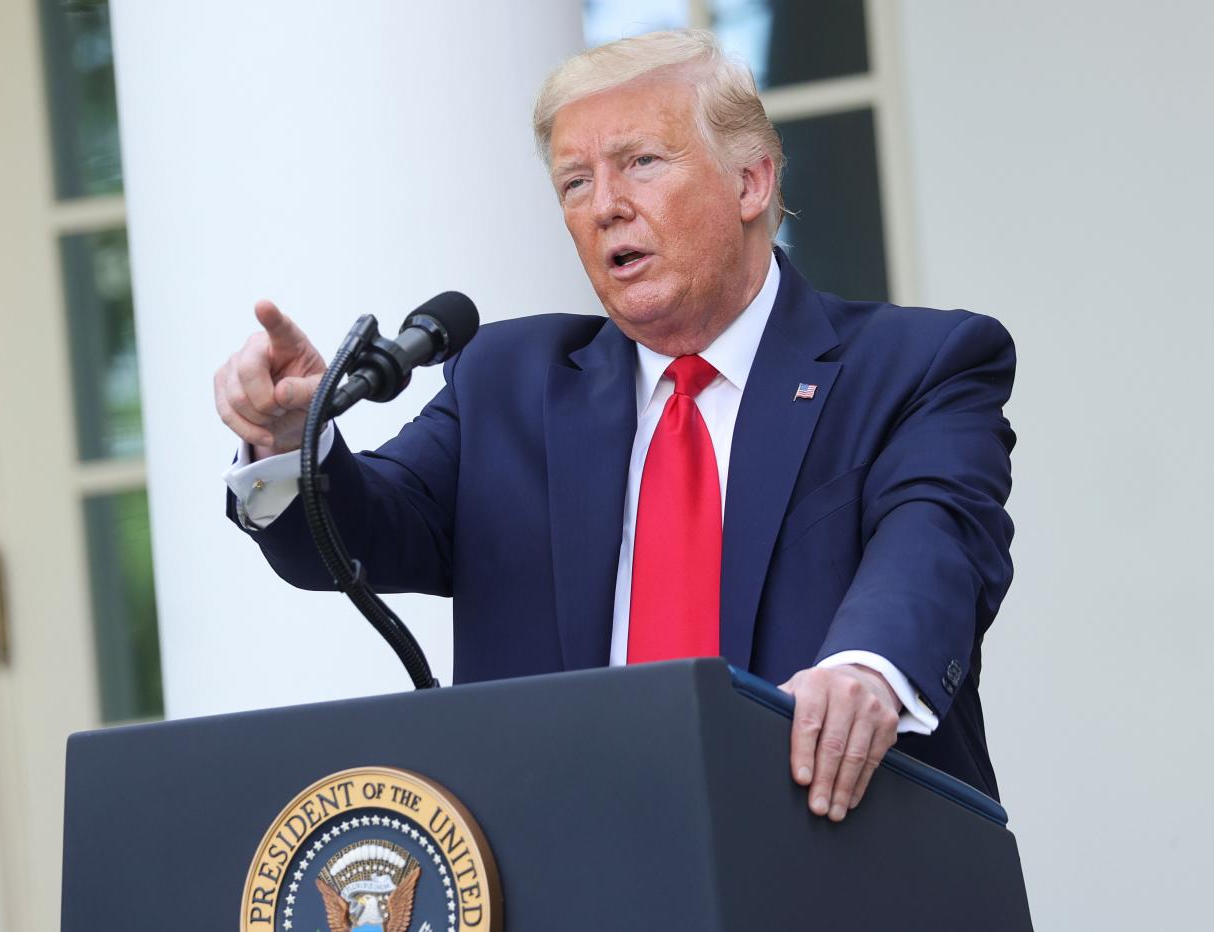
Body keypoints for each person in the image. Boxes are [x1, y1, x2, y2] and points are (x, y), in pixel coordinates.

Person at [216, 30, 1015, 820]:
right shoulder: (507, 381)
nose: (605, 207)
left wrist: (866, 672)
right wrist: (292, 444)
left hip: (827, 861)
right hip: (573, 871)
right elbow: (362, 529)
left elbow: (936, 541)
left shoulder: (916, 365)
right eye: (574, 182)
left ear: (751, 183)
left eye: (641, 163)